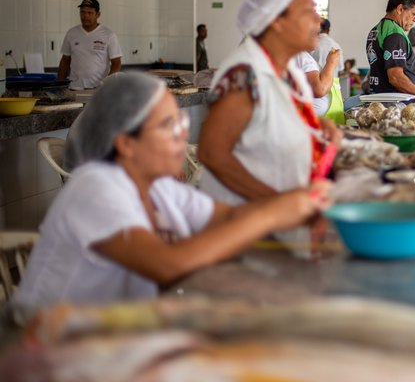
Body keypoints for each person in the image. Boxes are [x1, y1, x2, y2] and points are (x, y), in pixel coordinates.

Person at [15, 72, 327, 308]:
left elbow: (229, 217)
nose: (182, 135)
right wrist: (271, 216)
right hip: (49, 346)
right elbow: (167, 265)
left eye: (180, 121)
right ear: (126, 143)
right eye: (168, 126)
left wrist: (298, 208)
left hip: (112, 334)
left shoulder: (160, 189)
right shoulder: (94, 188)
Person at [197, 0, 341, 207]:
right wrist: (277, 202)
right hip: (245, 213)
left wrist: (318, 126)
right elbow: (213, 154)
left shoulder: (288, 69)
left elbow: (268, 123)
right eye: (309, 11)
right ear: (276, 21)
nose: (318, 20)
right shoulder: (243, 74)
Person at [57, 0, 122, 90]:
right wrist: (59, 86)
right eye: (82, 12)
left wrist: (108, 85)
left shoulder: (109, 35)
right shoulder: (71, 33)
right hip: (74, 88)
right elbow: (65, 61)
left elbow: (116, 63)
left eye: (89, 13)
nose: (85, 16)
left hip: (98, 90)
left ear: (98, 14)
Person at [296, 45, 344, 125]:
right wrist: (331, 63)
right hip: (315, 124)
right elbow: (320, 89)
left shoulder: (302, 55)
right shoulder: (300, 55)